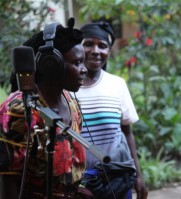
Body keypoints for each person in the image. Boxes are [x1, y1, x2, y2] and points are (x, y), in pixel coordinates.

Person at [0, 18, 89, 198]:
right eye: (77, 63)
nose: (84, 69)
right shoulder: (18, 108)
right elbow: (6, 180)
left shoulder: (70, 101)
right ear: (52, 66)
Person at [72, 21, 148, 199]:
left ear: (109, 50)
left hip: (117, 179)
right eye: (88, 44)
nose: (96, 50)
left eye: (102, 46)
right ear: (78, 48)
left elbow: (126, 133)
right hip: (79, 183)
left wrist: (138, 175)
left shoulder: (117, 84)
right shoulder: (67, 88)